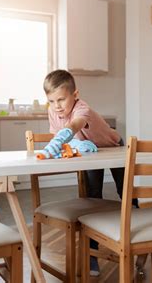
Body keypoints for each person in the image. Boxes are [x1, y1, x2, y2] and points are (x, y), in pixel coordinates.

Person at [43, 69, 138, 276]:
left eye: (61, 99)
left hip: (114, 147)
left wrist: (67, 134)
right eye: (51, 101)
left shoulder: (81, 107)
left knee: (127, 194)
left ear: (75, 95)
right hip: (91, 152)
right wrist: (69, 143)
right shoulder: (53, 112)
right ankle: (92, 256)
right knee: (93, 198)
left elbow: (75, 123)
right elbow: (56, 133)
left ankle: (136, 244)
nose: (57, 106)